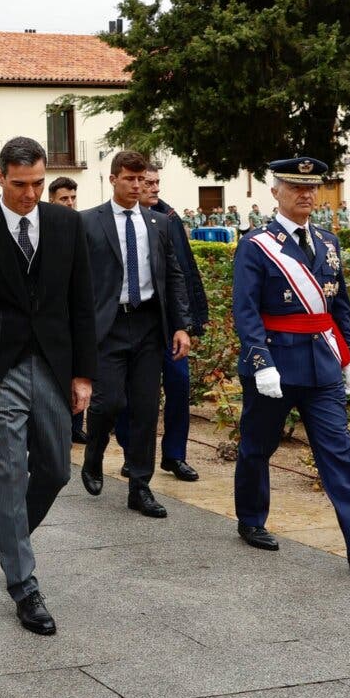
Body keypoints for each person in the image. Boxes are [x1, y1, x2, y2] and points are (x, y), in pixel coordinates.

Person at [0, 137, 96, 635]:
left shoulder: (67, 224)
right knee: (8, 476)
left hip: (52, 367)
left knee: (55, 469)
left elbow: (81, 304)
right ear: (0, 178)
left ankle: (11, 533)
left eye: (38, 184)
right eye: (19, 184)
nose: (30, 194)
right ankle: (24, 585)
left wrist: (83, 375)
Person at [232, 157, 350, 573]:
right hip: (275, 365)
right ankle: (251, 519)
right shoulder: (256, 244)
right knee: (257, 447)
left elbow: (340, 308)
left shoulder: (328, 243)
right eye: (296, 187)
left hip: (322, 366)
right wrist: (261, 363)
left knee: (339, 454)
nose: (307, 195)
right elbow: (245, 311)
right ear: (276, 191)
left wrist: (349, 357)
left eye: (312, 188)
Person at [79, 151, 191, 519]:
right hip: (108, 326)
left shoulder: (158, 223)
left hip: (146, 324)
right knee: (108, 402)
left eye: (141, 180)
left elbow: (173, 276)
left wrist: (180, 326)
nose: (137, 186)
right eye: (129, 179)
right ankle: (93, 453)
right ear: (113, 179)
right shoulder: (88, 223)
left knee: (145, 408)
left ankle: (140, 487)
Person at [114, 164, 206, 482]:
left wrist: (193, 319)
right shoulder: (118, 221)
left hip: (171, 325)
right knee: (134, 394)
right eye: (145, 182)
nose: (152, 187)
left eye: (155, 182)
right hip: (136, 325)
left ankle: (175, 455)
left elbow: (185, 269)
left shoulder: (169, 218)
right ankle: (132, 452)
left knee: (179, 386)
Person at [48, 176, 88, 445]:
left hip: (77, 314)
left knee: (80, 368)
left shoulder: (80, 226)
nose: (70, 203)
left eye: (73, 198)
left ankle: (76, 426)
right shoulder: (44, 227)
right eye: (64, 199)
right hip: (52, 317)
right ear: (52, 200)